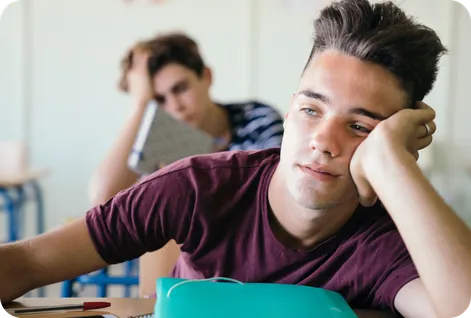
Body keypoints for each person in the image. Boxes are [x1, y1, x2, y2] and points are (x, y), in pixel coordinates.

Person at [0, 0, 470, 317]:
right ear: (289, 110)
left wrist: (394, 163)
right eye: (310, 110)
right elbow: (27, 262)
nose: (322, 141)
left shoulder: (384, 241)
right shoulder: (196, 186)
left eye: (361, 126)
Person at [88, 32, 285, 290]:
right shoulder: (157, 139)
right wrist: (139, 106)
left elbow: (276, 197)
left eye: (180, 88)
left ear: (207, 76)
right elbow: (102, 201)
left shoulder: (257, 117)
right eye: (158, 100)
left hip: (253, 270)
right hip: (183, 281)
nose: (175, 106)